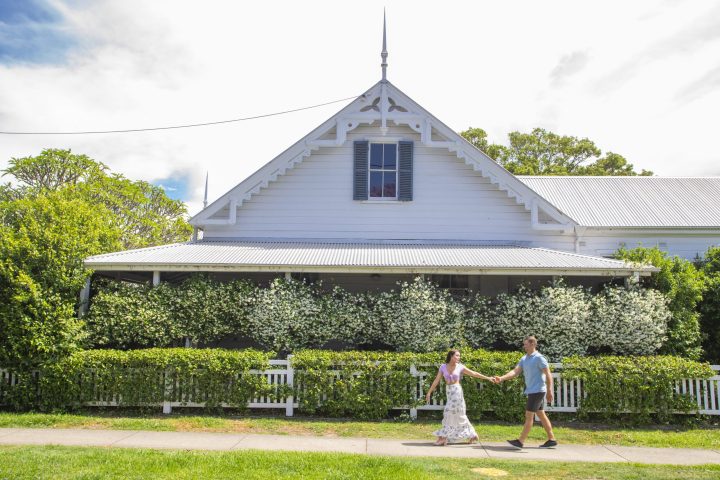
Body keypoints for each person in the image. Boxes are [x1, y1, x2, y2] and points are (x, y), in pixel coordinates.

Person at [494, 335, 558, 449]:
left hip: (538, 391)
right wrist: (502, 378)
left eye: (526, 344)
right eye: (524, 345)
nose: (524, 346)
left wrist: (549, 391)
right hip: (532, 391)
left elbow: (548, 374)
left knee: (529, 416)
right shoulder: (524, 358)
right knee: (541, 414)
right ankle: (551, 439)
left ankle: (520, 441)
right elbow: (515, 371)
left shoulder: (539, 358)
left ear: (533, 344)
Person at [425, 349, 493, 446]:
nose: (459, 357)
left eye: (459, 356)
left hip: (457, 392)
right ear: (451, 356)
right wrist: (429, 392)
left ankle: (443, 438)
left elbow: (474, 373)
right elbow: (436, 380)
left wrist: (488, 378)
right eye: (457, 355)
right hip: (449, 392)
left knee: (448, 412)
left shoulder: (460, 367)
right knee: (459, 415)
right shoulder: (443, 367)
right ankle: (472, 435)